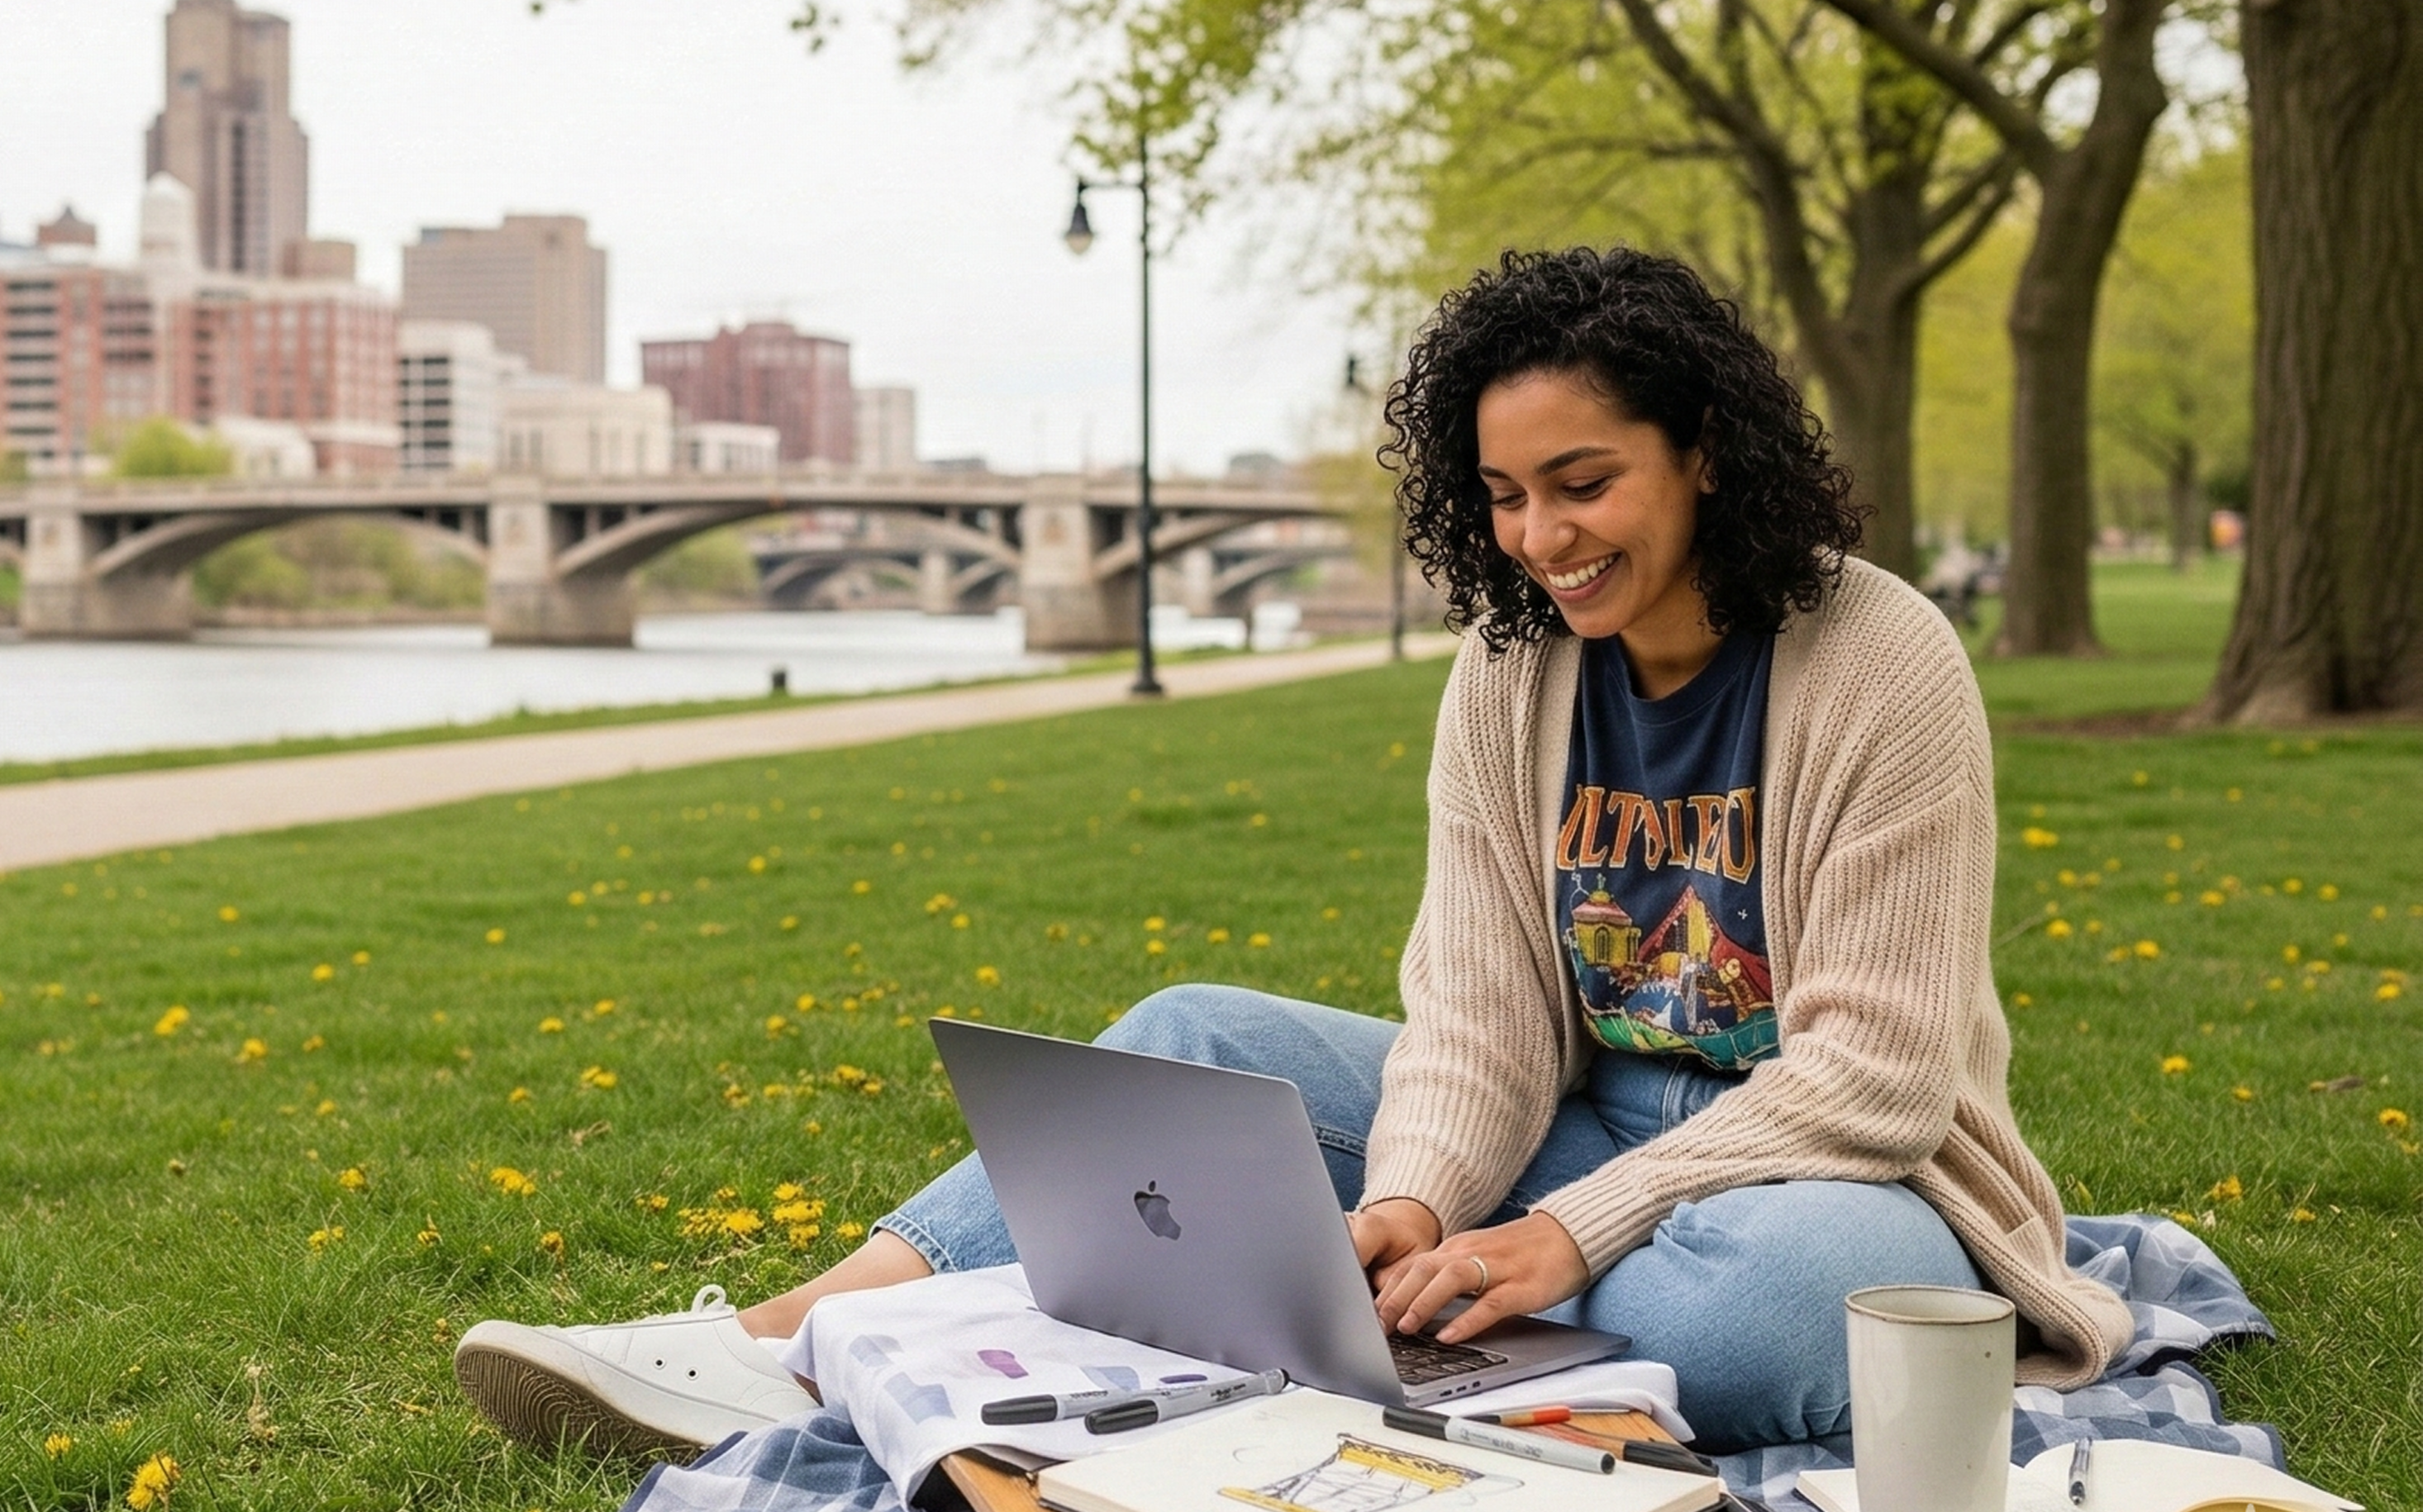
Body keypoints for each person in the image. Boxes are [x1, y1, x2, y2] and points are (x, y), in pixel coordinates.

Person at [452, 248, 2132, 1462]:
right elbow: (1478, 1018)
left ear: (1700, 451)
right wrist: (1406, 1194)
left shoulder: (1876, 652)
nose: (1540, 538)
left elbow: (1882, 1071)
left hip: (1828, 1172)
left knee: (1755, 1317)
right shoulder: (1508, 671)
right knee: (1188, 1032)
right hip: (1573, 1119)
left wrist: (1574, 1230)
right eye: (1501, 495)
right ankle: (765, 1344)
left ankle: (1444, 1332)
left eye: (1581, 482)